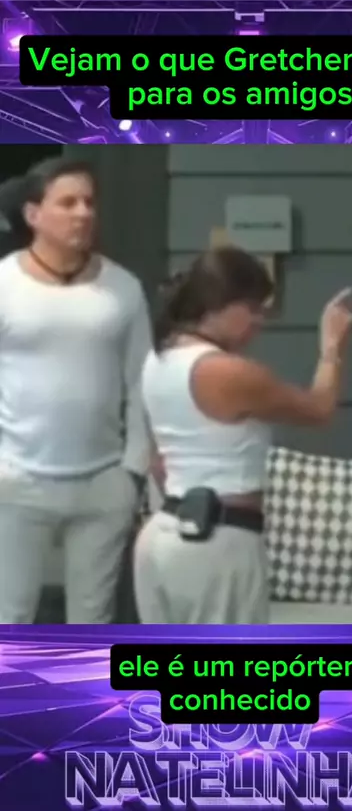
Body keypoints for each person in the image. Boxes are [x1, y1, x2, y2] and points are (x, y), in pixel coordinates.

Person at [134, 246, 352, 624]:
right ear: (218, 302)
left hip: (164, 533)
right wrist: (331, 348)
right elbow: (319, 409)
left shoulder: (158, 359)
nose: (259, 320)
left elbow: (158, 461)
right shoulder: (225, 370)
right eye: (252, 307)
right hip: (217, 542)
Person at [0, 157, 152, 624]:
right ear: (33, 214)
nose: (83, 213)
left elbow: (142, 381)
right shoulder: (4, 284)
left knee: (93, 620)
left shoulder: (123, 288)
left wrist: (133, 471)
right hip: (16, 479)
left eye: (89, 202)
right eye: (67, 203)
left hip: (103, 483)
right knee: (10, 617)